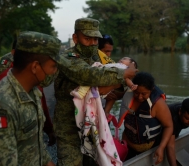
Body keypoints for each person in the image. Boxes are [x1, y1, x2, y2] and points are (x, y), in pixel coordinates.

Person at [53, 18, 138, 166]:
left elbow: (118, 79)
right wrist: (122, 75)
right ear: (75, 38)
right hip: (68, 127)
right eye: (87, 38)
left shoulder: (96, 57)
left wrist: (123, 77)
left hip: (91, 126)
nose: (92, 43)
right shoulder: (68, 57)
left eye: (95, 39)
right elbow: (88, 75)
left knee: (93, 162)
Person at [0, 31, 60, 166]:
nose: (55, 72)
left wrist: (47, 161)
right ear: (35, 67)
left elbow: (34, 142)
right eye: (53, 66)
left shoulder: (32, 90)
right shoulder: (0, 107)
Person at [0, 39, 56, 146]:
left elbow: (40, 101)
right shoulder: (2, 99)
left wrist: (48, 129)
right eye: (53, 67)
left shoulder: (31, 77)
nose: (53, 72)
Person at [117, 72, 173, 165]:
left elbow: (169, 126)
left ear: (151, 90)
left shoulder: (157, 104)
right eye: (137, 92)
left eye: (144, 93)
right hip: (127, 143)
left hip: (147, 148)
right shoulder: (129, 93)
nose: (139, 97)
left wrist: (161, 148)